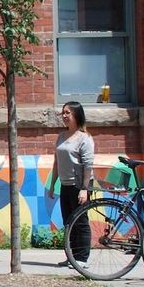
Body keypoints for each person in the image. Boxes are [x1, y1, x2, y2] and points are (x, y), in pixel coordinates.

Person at [49, 101, 95, 267]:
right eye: (63, 113)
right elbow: (56, 162)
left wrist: (84, 189)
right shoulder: (61, 137)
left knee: (80, 221)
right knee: (68, 221)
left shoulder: (84, 138)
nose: (64, 116)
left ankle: (82, 258)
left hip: (79, 184)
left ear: (77, 115)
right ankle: (72, 256)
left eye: (68, 112)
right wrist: (53, 184)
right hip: (65, 184)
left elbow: (88, 165)